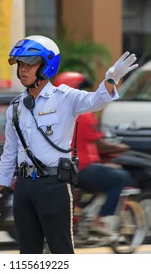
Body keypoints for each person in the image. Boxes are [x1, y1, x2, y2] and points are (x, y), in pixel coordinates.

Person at [0, 35, 138, 254]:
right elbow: (8, 155)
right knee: (28, 254)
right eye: (20, 64)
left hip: (54, 185)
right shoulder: (15, 107)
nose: (23, 70)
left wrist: (111, 79)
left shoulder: (64, 97)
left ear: (46, 66)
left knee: (61, 252)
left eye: (30, 64)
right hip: (24, 187)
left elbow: (96, 101)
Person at [54, 71, 132, 235]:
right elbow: (100, 145)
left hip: (64, 169)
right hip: (83, 168)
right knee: (120, 177)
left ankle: (87, 213)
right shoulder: (84, 114)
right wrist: (121, 148)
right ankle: (102, 218)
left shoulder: (55, 113)